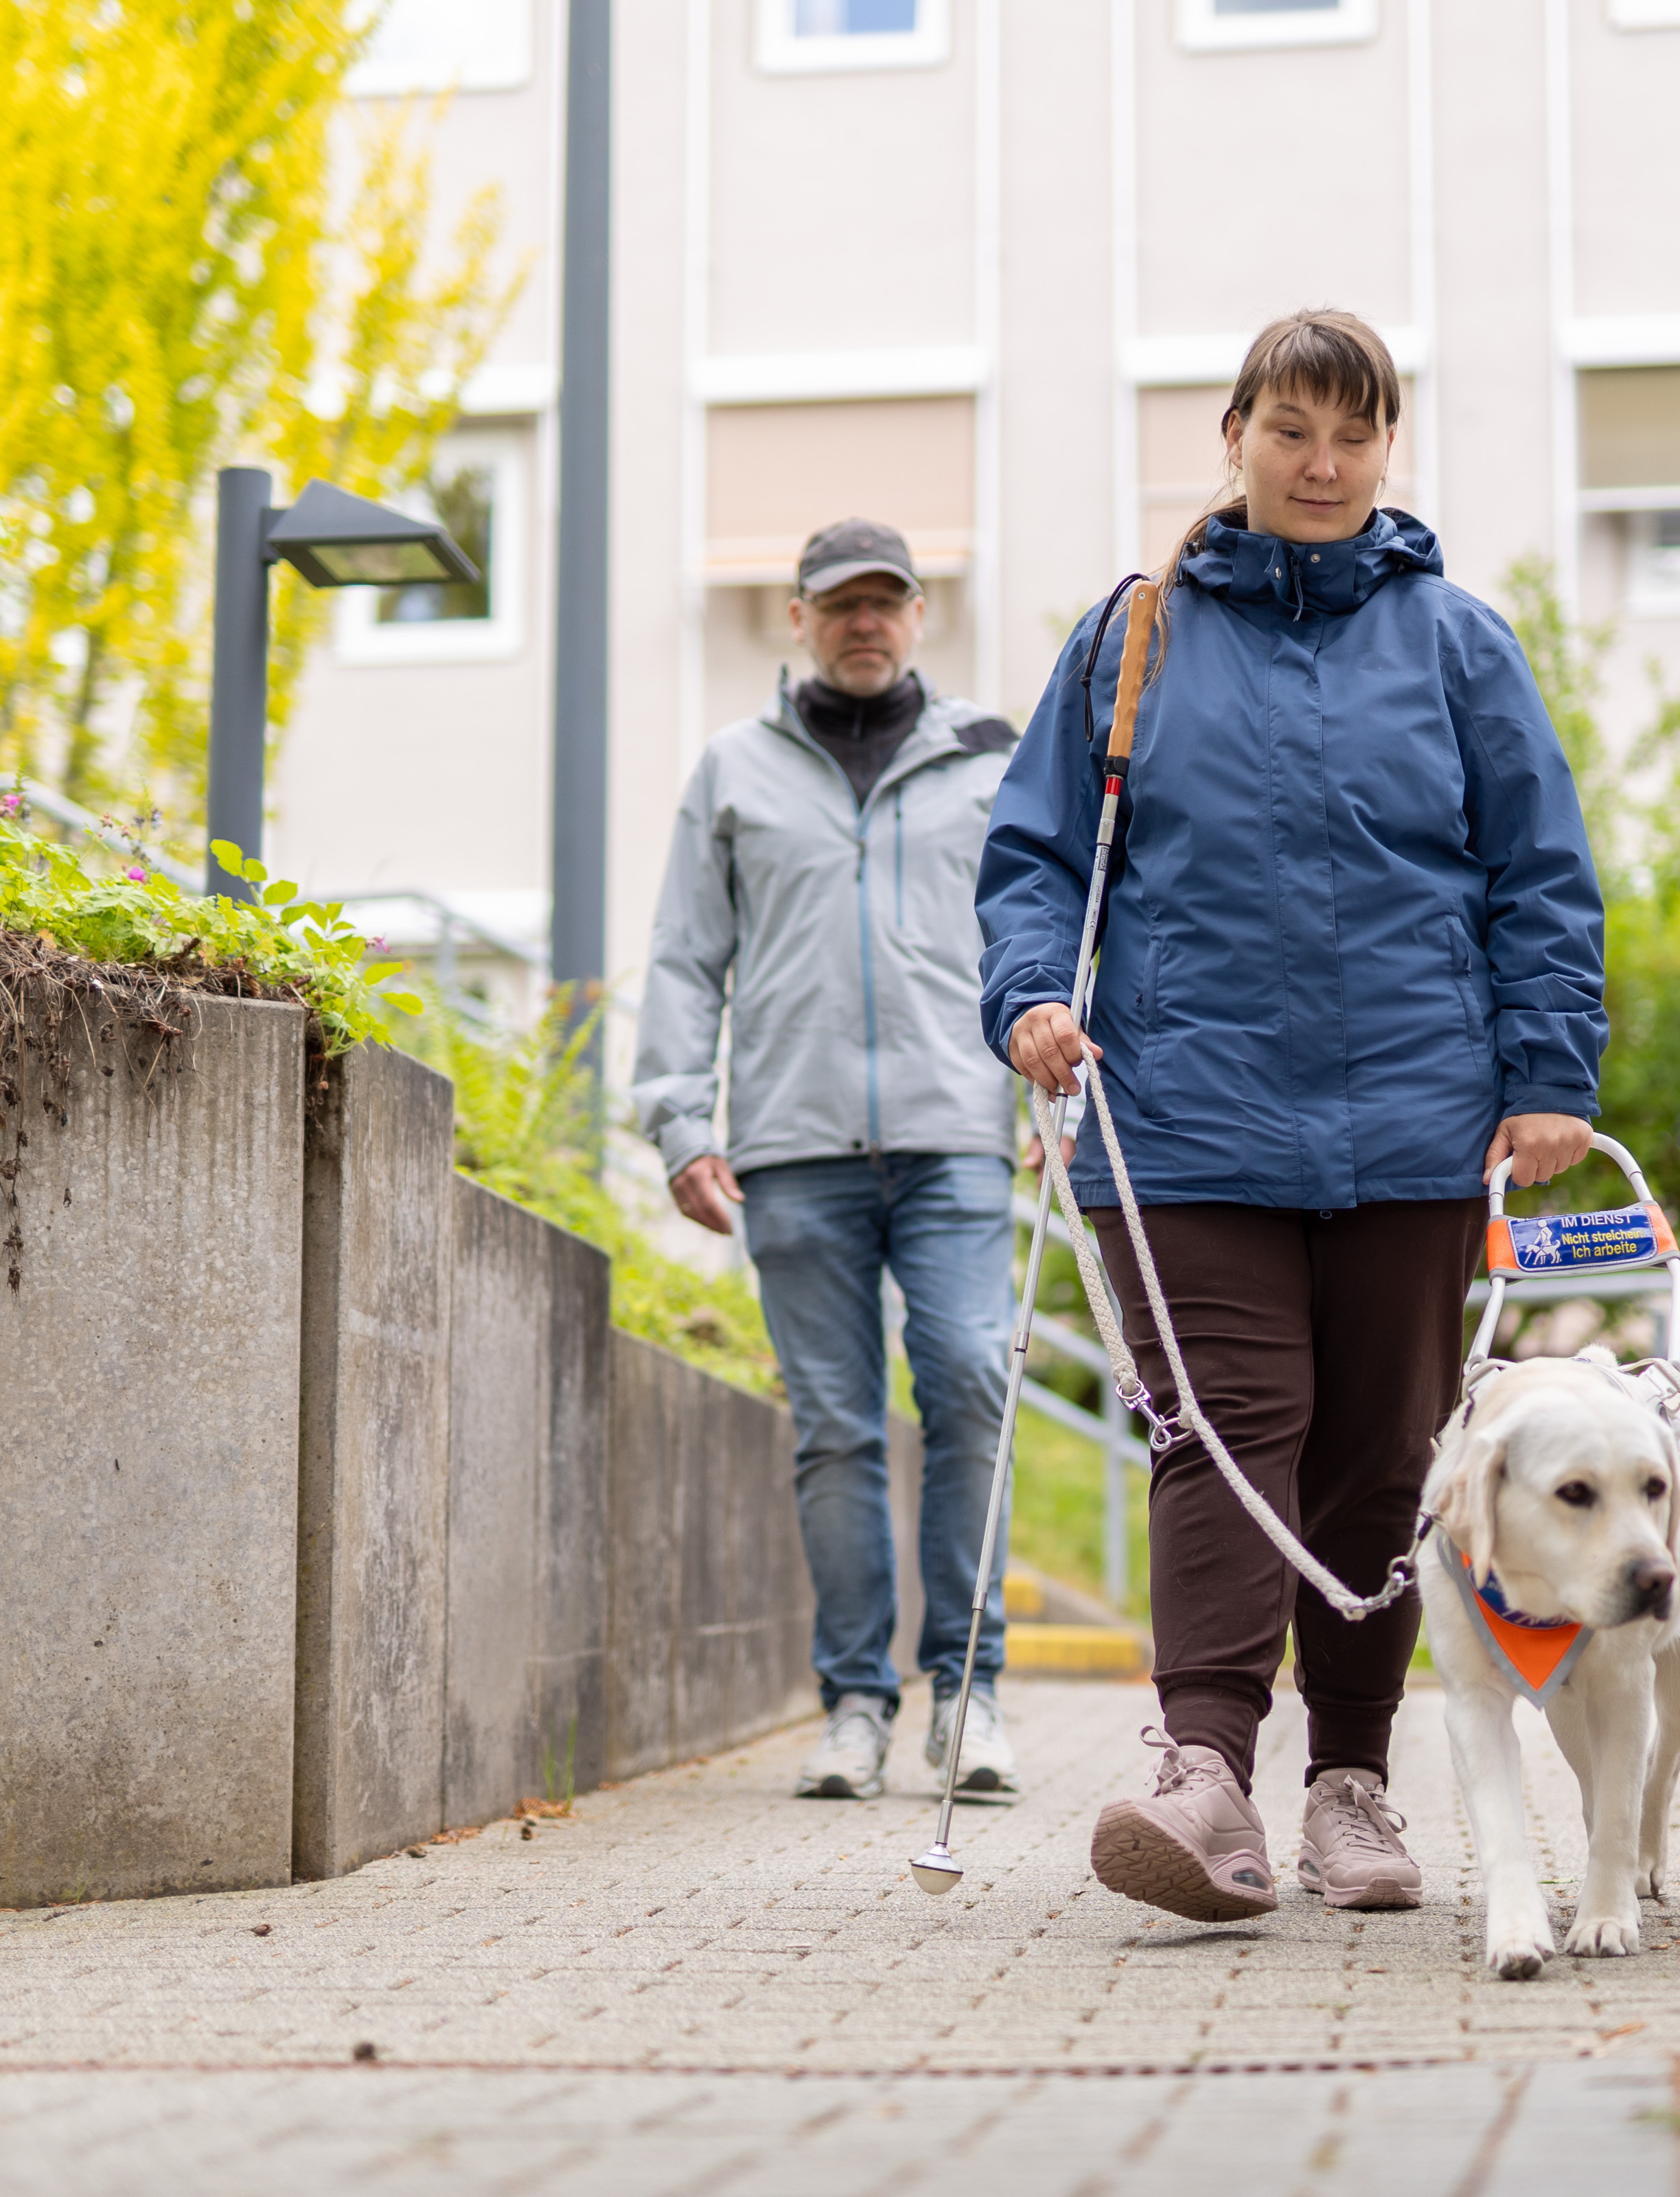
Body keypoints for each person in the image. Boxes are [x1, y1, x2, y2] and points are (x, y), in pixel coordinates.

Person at [976, 310, 1608, 1920]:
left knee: (1379, 1461)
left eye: (1355, 434)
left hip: (1412, 1117)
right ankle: (1201, 1775)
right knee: (1225, 1430)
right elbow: (1037, 853)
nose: (1322, 465)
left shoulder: (1458, 641)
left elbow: (1539, 872)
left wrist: (1547, 1072)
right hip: (1183, 1112)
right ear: (1235, 437)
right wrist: (1033, 994)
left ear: (1386, 449)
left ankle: (1353, 1787)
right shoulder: (1139, 634)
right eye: (1291, 432)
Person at [632, 517, 1026, 1804]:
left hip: (958, 1132)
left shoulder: (988, 761)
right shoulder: (733, 772)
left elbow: (1052, 935)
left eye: (888, 603)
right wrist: (681, 1122)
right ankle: (856, 1703)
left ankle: (967, 1693)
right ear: (797, 620)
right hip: (794, 1148)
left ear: (921, 617)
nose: (866, 623)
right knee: (838, 1431)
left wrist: (1056, 1092)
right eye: (839, 604)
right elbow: (688, 960)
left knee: (970, 1383)